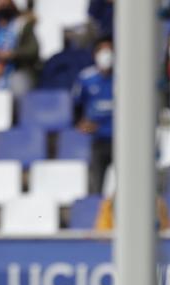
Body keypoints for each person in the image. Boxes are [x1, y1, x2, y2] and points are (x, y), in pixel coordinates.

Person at [73, 37, 114, 196]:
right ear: (95, 54)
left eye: (109, 50)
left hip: (122, 139)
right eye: (102, 50)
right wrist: (80, 122)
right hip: (97, 138)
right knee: (96, 185)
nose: (106, 54)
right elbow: (76, 104)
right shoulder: (86, 78)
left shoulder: (125, 77)